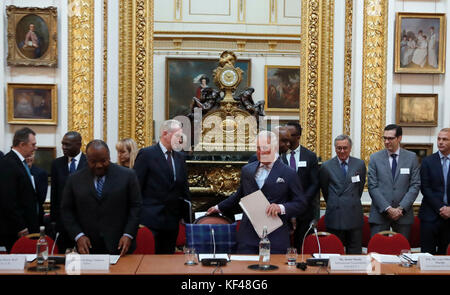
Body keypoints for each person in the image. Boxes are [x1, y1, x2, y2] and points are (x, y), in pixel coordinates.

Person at [207, 131, 307, 254]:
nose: (261, 152)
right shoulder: (247, 170)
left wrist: (281, 208)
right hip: (247, 236)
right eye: (258, 148)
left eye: (265, 148)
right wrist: (218, 207)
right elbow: (239, 195)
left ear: (275, 148)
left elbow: (301, 203)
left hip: (275, 236)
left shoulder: (289, 173)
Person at [61, 140, 142, 255]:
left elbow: (136, 207)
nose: (99, 165)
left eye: (103, 161)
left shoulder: (128, 176)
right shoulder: (74, 179)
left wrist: (128, 234)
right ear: (87, 159)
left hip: (120, 247)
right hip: (88, 249)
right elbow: (66, 211)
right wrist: (78, 236)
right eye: (93, 162)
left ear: (109, 156)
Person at [133, 119, 190, 254]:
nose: (180, 140)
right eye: (177, 136)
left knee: (168, 261)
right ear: (165, 134)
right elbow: (136, 187)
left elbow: (184, 187)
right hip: (150, 220)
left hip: (172, 221)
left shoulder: (180, 157)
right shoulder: (147, 154)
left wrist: (186, 217)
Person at [368, 124, 420, 239]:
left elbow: (415, 185)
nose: (386, 141)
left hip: (403, 215)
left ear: (399, 138)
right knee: (377, 252)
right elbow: (372, 186)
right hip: (380, 215)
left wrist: (400, 208)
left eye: (390, 138)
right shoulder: (375, 158)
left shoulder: (411, 158)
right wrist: (388, 209)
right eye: (384, 138)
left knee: (401, 252)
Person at [319, 135, 366, 254]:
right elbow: (325, 190)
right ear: (335, 148)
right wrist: (336, 202)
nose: (342, 151)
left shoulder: (359, 164)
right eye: (339, 148)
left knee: (355, 253)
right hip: (335, 214)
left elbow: (359, 189)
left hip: (354, 214)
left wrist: (351, 200)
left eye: (345, 148)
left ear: (350, 148)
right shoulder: (326, 166)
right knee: (334, 252)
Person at [282, 122, 319, 252]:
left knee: (303, 247)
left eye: (289, 135)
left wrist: (301, 202)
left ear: (298, 137)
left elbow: (314, 183)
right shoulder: (279, 156)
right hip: (283, 211)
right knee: (283, 249)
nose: (286, 138)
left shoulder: (310, 156)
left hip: (304, 211)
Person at [0, 127, 39, 252]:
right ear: (22, 144)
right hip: (17, 230)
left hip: (28, 226)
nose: (35, 147)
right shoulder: (8, 163)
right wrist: (20, 226)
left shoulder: (19, 162)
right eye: (33, 144)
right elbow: (8, 200)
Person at [50, 131, 87, 251]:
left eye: (67, 144)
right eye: (62, 144)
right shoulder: (57, 164)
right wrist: (54, 220)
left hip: (84, 222)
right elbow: (54, 194)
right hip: (63, 222)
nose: (64, 147)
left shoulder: (89, 163)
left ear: (78, 145)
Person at [419, 128, 450, 254]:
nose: (441, 142)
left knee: (446, 257)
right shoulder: (427, 161)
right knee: (427, 255)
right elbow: (425, 188)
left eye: (445, 139)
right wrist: (441, 208)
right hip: (430, 216)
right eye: (439, 139)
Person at [25, 153, 48, 227]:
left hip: (36, 213)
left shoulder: (41, 173)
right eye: (26, 156)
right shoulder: (16, 171)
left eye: (30, 156)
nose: (28, 158)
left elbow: (42, 197)